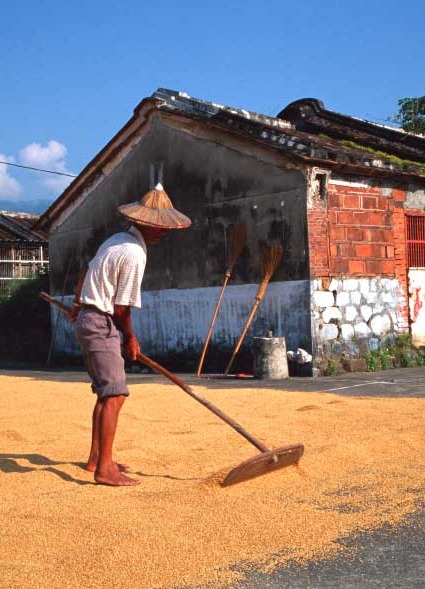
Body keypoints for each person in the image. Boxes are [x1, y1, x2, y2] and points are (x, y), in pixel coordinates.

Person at [72, 184, 191, 486]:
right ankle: (105, 469)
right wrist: (130, 338)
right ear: (142, 222)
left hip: (92, 318)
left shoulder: (116, 240)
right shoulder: (134, 252)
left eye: (165, 228)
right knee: (116, 393)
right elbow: (121, 307)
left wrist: (78, 303)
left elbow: (86, 273)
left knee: (105, 392)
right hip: (101, 322)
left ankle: (97, 458)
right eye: (157, 227)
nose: (162, 232)